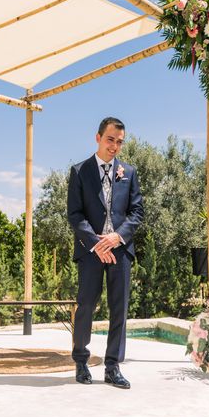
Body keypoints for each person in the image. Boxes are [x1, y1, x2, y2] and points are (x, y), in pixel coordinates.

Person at [67, 117, 144, 389]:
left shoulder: (129, 172)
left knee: (119, 309)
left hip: (120, 251)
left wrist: (117, 237)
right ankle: (81, 360)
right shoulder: (80, 171)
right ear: (98, 137)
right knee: (86, 305)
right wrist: (96, 243)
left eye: (119, 142)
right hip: (91, 253)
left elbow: (137, 213)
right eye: (110, 139)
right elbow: (74, 214)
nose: (115, 146)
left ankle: (113, 367)